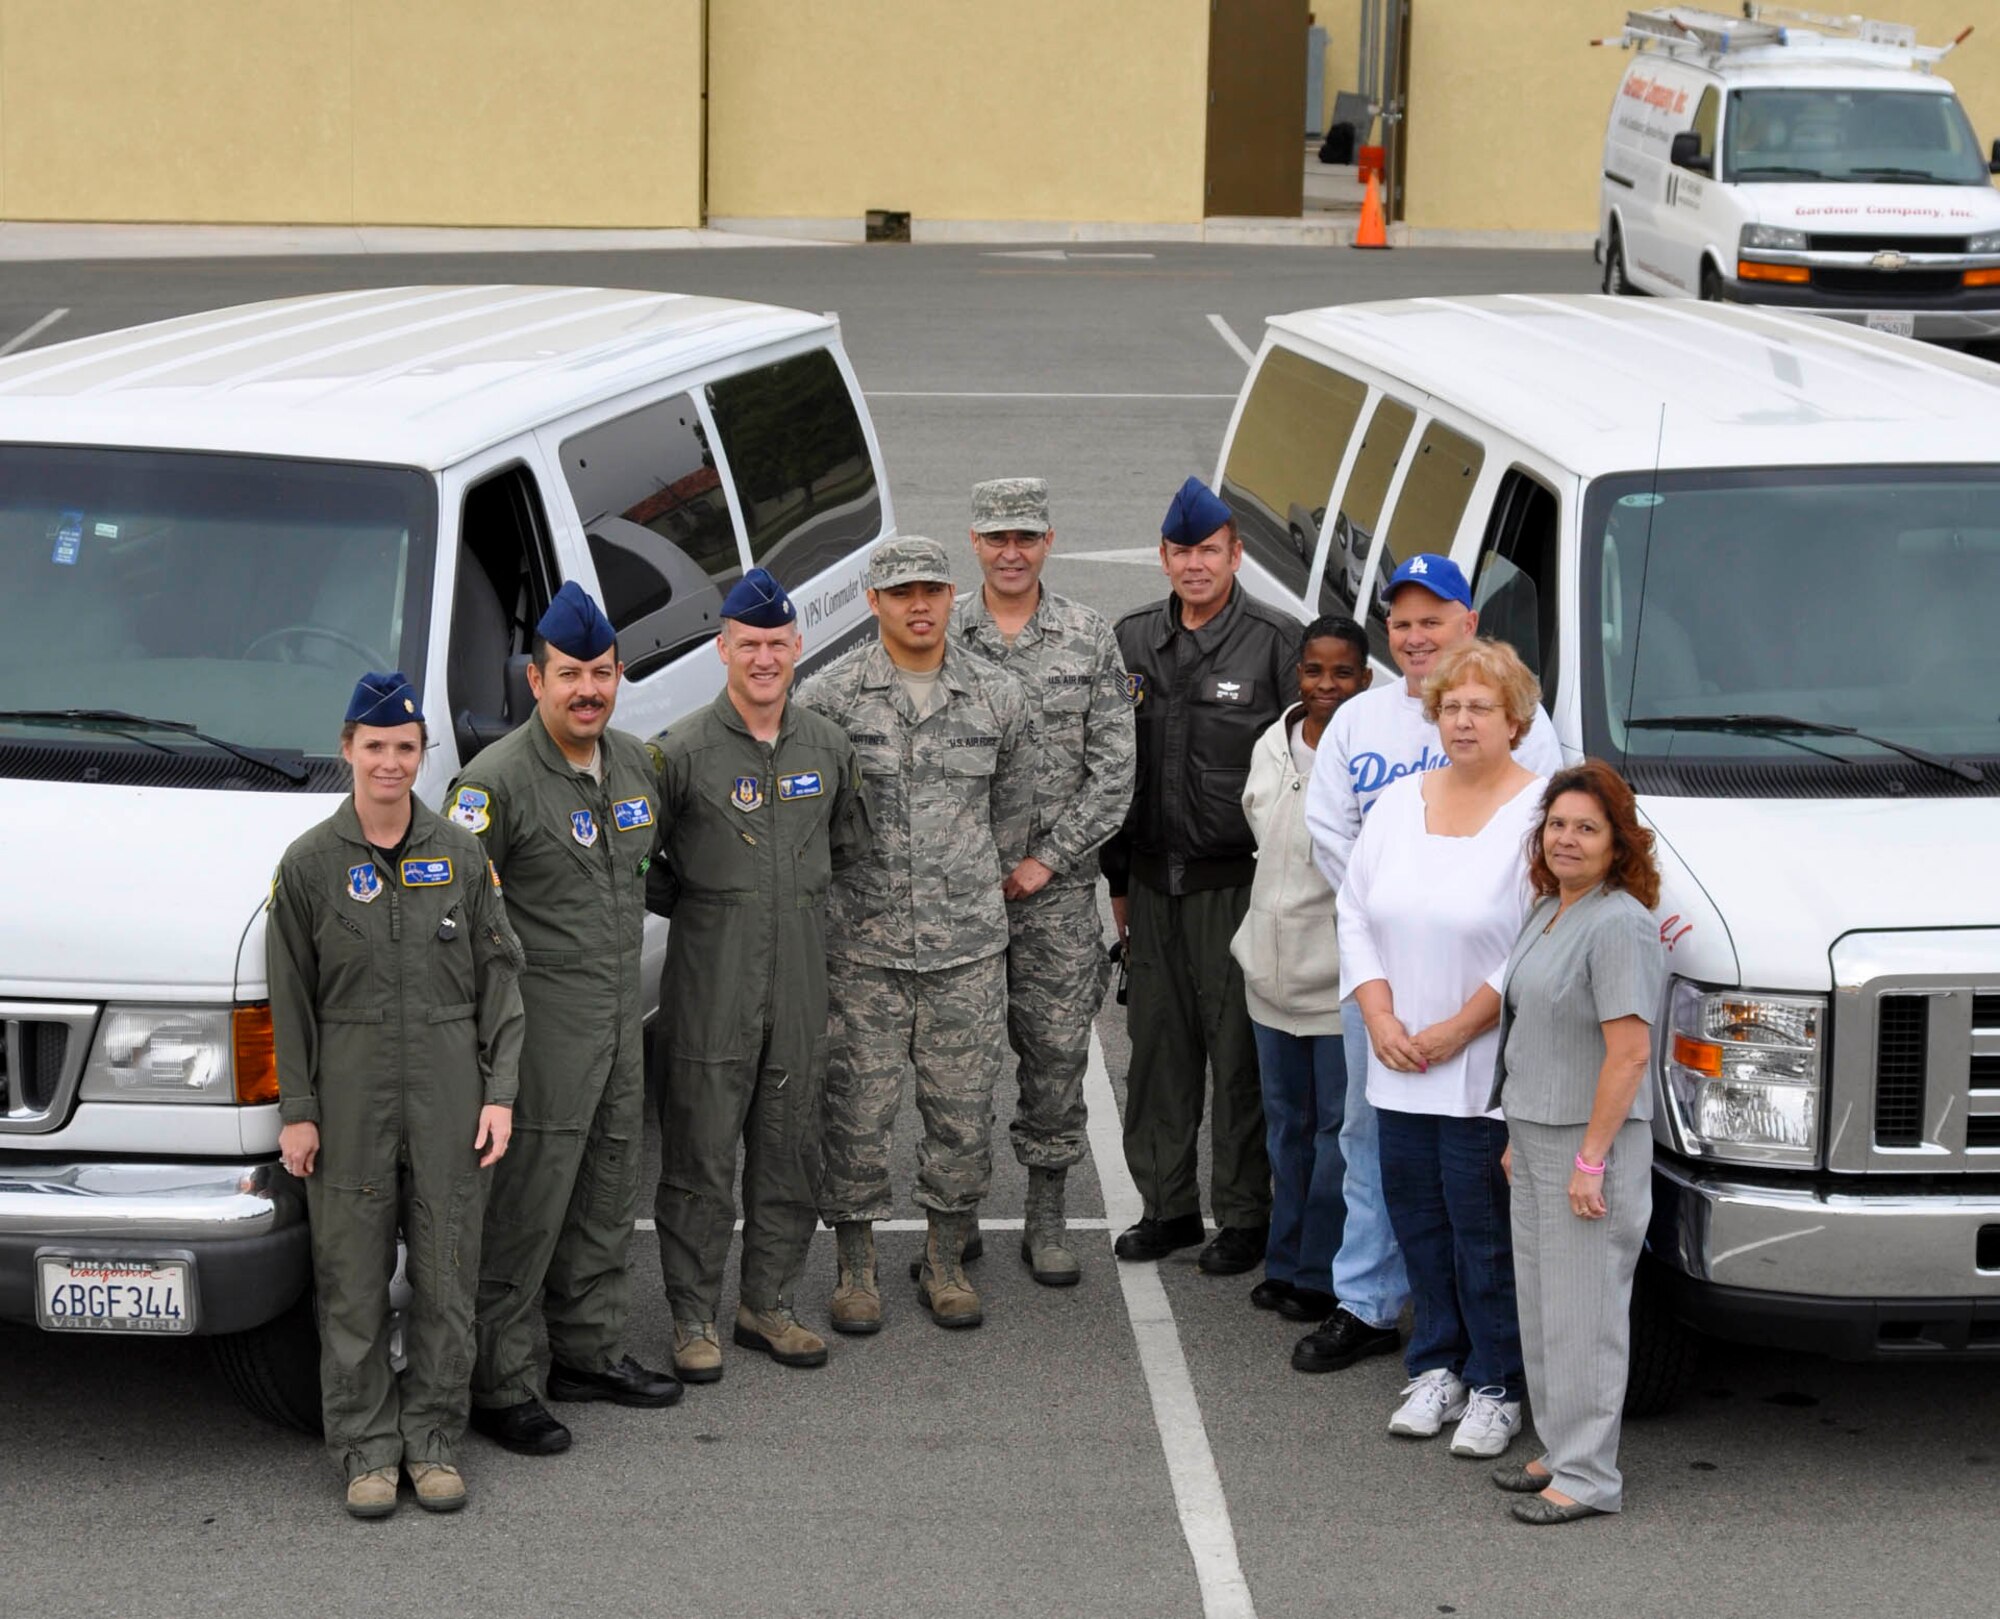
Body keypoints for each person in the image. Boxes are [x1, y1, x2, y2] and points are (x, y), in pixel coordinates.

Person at [1292, 554, 1563, 1376]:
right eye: (1403, 623)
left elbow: (1542, 867)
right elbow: (1334, 834)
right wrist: (1391, 944)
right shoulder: (1359, 721)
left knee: (1471, 1172)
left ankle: (1482, 1348)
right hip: (1378, 970)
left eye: (1432, 620)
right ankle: (1369, 1301)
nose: (1416, 637)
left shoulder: (1529, 727)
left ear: (1467, 623)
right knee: (1373, 1143)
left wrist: (1439, 913)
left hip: (1479, 979)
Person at [268, 672, 525, 1518]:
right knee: (351, 1282)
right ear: (347, 749)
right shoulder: (308, 867)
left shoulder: (458, 853)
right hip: (348, 1096)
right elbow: (291, 1003)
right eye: (374, 746)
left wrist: (501, 1092)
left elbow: (501, 980)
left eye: (404, 747)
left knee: (449, 1273)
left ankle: (435, 1441)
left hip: (451, 1090)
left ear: (422, 754)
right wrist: (298, 1111)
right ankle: (367, 1450)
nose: (389, 762)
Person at [447, 581, 680, 1456]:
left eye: (604, 673)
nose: (589, 689)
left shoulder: (632, 764)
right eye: (571, 674)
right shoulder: (494, 783)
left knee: (607, 1191)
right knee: (527, 1206)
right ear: (536, 678)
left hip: (621, 1023)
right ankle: (499, 1382)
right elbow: (459, 923)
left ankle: (586, 1351)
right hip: (540, 1033)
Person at [797, 535, 1035, 1331]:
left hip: (965, 948)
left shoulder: (998, 696)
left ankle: (943, 1259)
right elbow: (817, 821)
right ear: (873, 601)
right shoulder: (829, 699)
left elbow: (1011, 813)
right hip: (861, 949)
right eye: (902, 592)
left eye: (933, 588)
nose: (921, 604)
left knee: (962, 1115)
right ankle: (856, 1265)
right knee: (855, 1115)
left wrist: (961, 885)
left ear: (950, 594)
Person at [646, 568, 871, 1382]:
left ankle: (766, 1304)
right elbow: (642, 862)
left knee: (788, 1152)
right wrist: (717, 905)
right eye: (751, 644)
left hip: (801, 979)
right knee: (700, 1159)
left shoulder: (827, 746)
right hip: (711, 983)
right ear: (724, 649)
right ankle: (693, 1316)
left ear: (798, 645)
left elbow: (845, 847)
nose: (766, 657)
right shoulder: (679, 753)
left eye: (779, 643)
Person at [1336, 637, 1545, 1458]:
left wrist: (1461, 1028)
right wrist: (1380, 1017)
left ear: (1517, 721)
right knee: (1418, 1222)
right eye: (1450, 706)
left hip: (1481, 1074)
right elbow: (1355, 911)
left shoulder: (1539, 812)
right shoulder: (1396, 805)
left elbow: (1538, 937)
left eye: (1480, 707)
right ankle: (1438, 1367)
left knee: (1481, 1232)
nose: (1462, 720)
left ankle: (1499, 1384)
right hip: (1399, 1066)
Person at [1102, 476, 1297, 1275]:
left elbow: (1299, 772)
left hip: (1236, 885)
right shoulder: (1131, 639)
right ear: (1164, 556)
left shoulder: (1276, 643)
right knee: (1157, 1054)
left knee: (1238, 1057)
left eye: (1208, 550)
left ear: (1234, 553)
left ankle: (1246, 1215)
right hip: (1150, 886)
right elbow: (1111, 773)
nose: (1194, 564)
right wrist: (1117, 886)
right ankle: (1169, 1207)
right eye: (1181, 551)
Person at [952, 477, 1135, 1285]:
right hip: (957, 895)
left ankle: (1047, 1214)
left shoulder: (1088, 636)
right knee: (955, 1062)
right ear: (975, 542)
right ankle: (951, 1212)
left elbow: (1114, 773)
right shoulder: (940, 629)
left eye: (1026, 536)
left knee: (1057, 1056)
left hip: (1054, 897)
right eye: (998, 538)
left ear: (1050, 541)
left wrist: (1047, 860)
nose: (1012, 552)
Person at [1489, 761, 1664, 1524]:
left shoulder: (1619, 921)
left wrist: (1591, 1160)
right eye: (1558, 823)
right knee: (1545, 1306)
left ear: (1616, 843)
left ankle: (1589, 1476)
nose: (1567, 837)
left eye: (1587, 827)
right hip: (1536, 1133)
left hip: (1589, 1148)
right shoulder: (1550, 907)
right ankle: (1562, 1448)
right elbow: (1528, 1025)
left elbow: (1627, 1053)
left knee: (1586, 1312)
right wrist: (1514, 1131)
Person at [1231, 616, 1371, 1321]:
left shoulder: (1366, 754)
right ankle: (1283, 1260)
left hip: (1334, 982)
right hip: (1270, 976)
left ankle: (1321, 1271)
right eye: (1315, 670)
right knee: (1285, 1127)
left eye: (1342, 673)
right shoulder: (1272, 741)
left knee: (1333, 1136)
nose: (1326, 685)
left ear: (1365, 680)